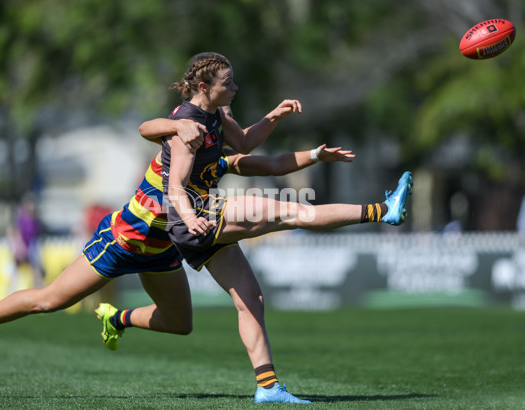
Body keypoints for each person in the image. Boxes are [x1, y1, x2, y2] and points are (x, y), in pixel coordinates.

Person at [0, 120, 355, 402]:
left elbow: (263, 157)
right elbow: (148, 128)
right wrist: (178, 128)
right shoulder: (178, 146)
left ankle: (117, 319)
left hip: (161, 252)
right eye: (228, 89)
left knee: (181, 324)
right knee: (48, 300)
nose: (219, 132)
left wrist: (305, 146)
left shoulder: (216, 161)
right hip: (120, 243)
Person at [135, 52, 413, 404]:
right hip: (195, 215)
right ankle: (384, 210)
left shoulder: (215, 114)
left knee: (251, 299)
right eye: (228, 83)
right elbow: (174, 187)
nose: (235, 87)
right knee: (291, 212)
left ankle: (267, 387)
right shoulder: (189, 126)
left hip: (201, 219)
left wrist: (275, 116)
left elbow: (246, 144)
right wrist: (192, 219)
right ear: (204, 87)